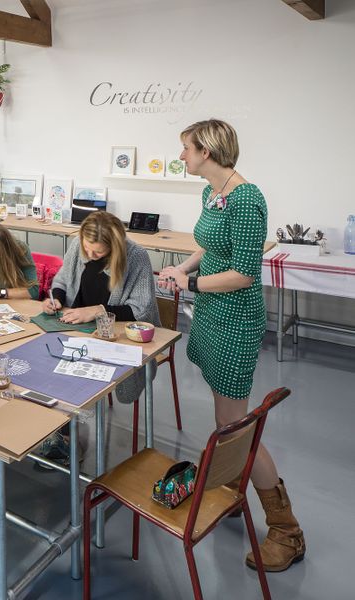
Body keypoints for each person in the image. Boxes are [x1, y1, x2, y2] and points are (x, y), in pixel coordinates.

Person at [158, 119, 304, 572]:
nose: (181, 155)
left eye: (185, 148)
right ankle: (234, 490)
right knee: (225, 418)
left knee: (235, 425)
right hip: (212, 313)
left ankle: (286, 529)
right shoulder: (212, 194)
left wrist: (193, 284)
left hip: (236, 318)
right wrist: (181, 268)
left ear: (207, 150)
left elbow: (244, 272)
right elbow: (210, 246)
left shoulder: (247, 198)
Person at [37, 210, 160, 467]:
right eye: (87, 249)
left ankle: (73, 442)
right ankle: (61, 432)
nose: (90, 256)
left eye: (98, 253)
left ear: (113, 247)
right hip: (77, 326)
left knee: (82, 374)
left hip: (117, 335)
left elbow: (141, 310)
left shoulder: (135, 256)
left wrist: (97, 311)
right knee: (45, 358)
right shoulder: (79, 244)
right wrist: (56, 298)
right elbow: (62, 280)